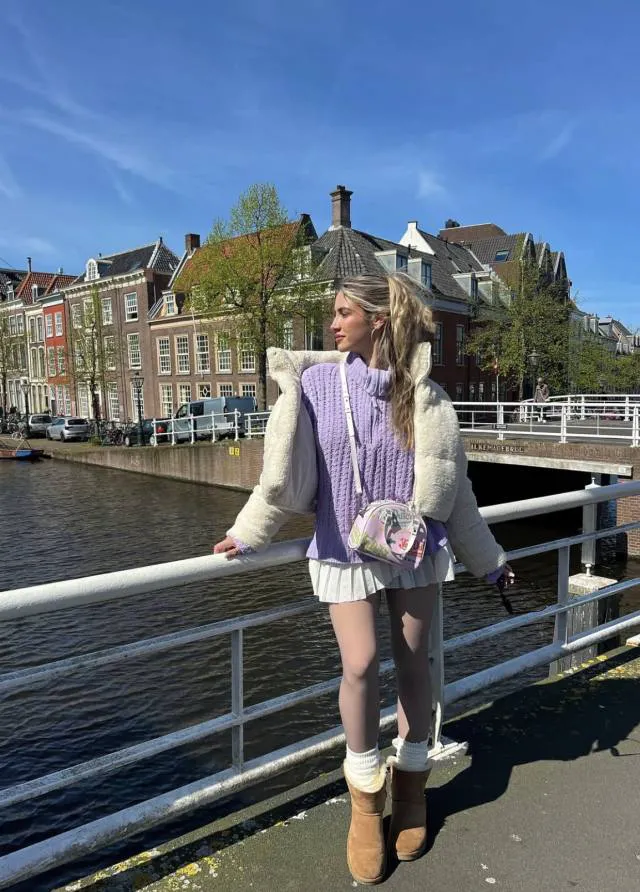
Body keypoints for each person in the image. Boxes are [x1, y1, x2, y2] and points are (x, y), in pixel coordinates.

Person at [214, 274, 514, 885]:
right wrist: (248, 532)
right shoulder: (316, 387)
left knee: (414, 663)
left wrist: (490, 561)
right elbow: (282, 472)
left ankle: (411, 788)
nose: (332, 325)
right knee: (360, 663)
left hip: (412, 547)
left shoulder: (425, 397)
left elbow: (456, 494)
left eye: (343, 313)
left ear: (377, 320)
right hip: (342, 546)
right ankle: (365, 799)